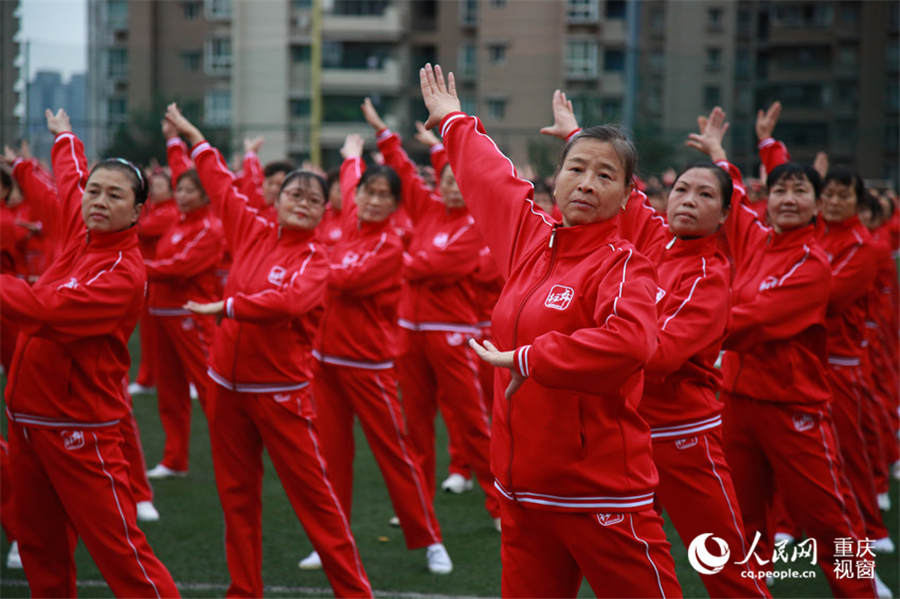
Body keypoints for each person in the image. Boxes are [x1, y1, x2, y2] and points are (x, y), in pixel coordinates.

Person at [419, 64, 682, 597]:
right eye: (576, 169)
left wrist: (529, 358)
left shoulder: (624, 264)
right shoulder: (531, 241)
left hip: (600, 496)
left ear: (628, 196)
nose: (586, 183)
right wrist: (453, 121)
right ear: (555, 178)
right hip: (523, 495)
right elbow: (493, 182)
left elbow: (631, 342)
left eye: (605, 175)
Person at [542, 93, 769, 598]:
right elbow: (619, 188)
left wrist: (592, 347)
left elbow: (658, 354)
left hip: (682, 437)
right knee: (622, 560)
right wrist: (576, 137)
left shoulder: (710, 277)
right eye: (682, 190)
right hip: (631, 431)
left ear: (725, 216)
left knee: (724, 563)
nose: (688, 200)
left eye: (705, 195)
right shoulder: (655, 237)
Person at [165, 103, 372, 598]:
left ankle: (355, 592)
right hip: (225, 388)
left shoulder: (317, 258)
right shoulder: (251, 229)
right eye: (294, 194)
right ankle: (244, 591)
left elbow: (290, 302)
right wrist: (194, 136)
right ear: (277, 199)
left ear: (324, 212)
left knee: (316, 504)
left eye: (314, 199)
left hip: (281, 394)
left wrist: (229, 307)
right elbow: (220, 184)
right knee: (236, 499)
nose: (303, 202)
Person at [690, 104, 881, 597]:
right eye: (779, 190)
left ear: (816, 207)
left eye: (800, 191)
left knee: (827, 523)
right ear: (768, 200)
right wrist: (718, 152)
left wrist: (684, 331)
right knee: (742, 516)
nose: (788, 199)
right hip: (738, 403)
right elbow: (733, 198)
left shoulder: (812, 265)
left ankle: (860, 590)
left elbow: (752, 320)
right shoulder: (756, 239)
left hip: (792, 409)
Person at [1, 108, 179, 597]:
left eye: (115, 195)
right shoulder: (82, 231)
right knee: (40, 549)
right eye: (95, 192)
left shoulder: (123, 274)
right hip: (28, 421)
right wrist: (64, 137)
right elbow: (70, 178)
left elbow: (41, 310)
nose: (99, 201)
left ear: (137, 211)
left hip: (79, 429)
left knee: (123, 556)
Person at [299, 134, 452, 575]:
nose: (373, 200)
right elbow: (350, 187)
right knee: (330, 458)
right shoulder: (351, 224)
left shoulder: (390, 246)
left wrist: (312, 264)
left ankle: (430, 540)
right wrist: (351, 159)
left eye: (385, 195)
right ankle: (329, 542)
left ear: (395, 205)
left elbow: (343, 281)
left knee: (396, 457)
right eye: (369, 192)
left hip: (368, 366)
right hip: (326, 364)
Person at [755, 105, 894, 555]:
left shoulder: (864, 247)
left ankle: (871, 531)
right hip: (797, 363)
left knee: (844, 455)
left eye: (842, 196)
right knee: (783, 458)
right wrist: (768, 144)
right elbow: (790, 187)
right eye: (829, 195)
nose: (833, 202)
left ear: (858, 202)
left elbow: (825, 300)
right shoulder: (812, 235)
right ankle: (785, 525)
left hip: (839, 365)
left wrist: (768, 304)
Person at [360, 97, 500, 528]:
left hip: (452, 332)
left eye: (460, 181)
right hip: (410, 331)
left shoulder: (476, 223)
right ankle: (415, 506)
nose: (453, 187)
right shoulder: (428, 207)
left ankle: (500, 507)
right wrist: (384, 132)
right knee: (414, 425)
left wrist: (400, 259)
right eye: (447, 180)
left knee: (473, 424)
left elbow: (441, 266)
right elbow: (403, 171)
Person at [143, 119, 226, 479]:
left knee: (209, 390)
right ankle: (174, 459)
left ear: (206, 195)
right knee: (170, 392)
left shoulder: (209, 228)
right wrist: (173, 141)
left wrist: (135, 267)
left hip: (191, 315)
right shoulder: (179, 221)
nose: (181, 195)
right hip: (162, 313)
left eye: (191, 191)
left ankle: (232, 452)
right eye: (180, 190)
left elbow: (180, 267)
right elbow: (179, 171)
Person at [129, 167, 180, 395]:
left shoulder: (168, 212)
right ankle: (148, 378)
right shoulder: (155, 209)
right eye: (153, 186)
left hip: (157, 278)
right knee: (149, 336)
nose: (155, 191)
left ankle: (149, 378)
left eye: (160, 186)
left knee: (157, 336)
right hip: (149, 278)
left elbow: (141, 228)